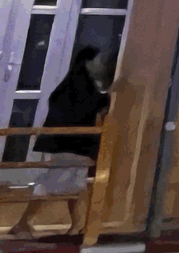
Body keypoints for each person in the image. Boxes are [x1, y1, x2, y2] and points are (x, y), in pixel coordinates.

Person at [10, 45, 108, 239]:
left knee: (74, 185)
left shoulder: (74, 82)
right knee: (54, 184)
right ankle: (24, 223)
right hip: (71, 144)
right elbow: (91, 106)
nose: (101, 64)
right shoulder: (82, 84)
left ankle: (77, 224)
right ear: (88, 62)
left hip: (66, 144)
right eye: (98, 60)